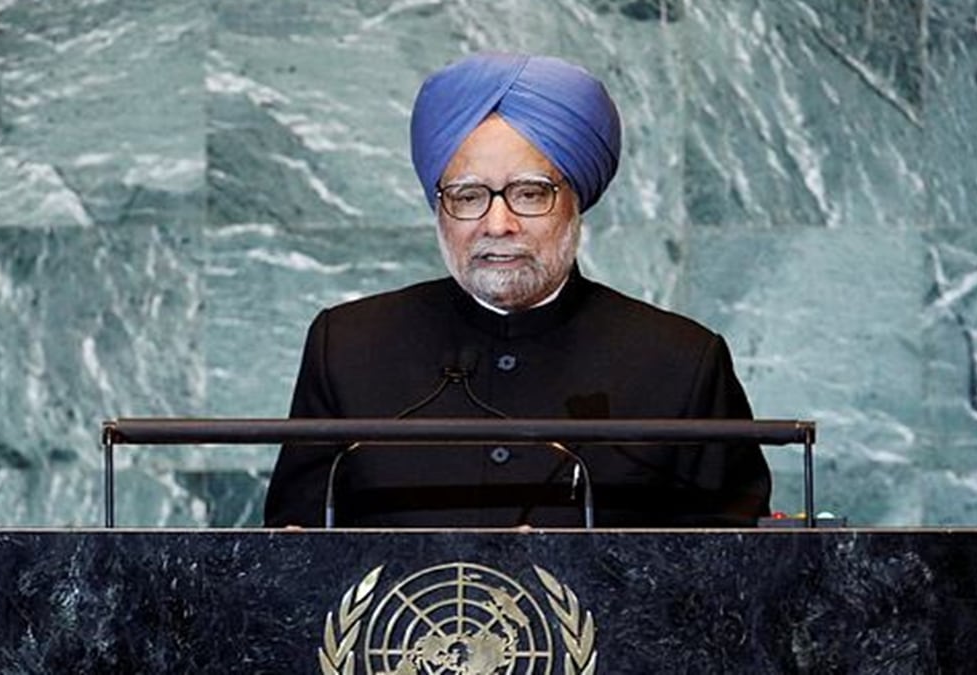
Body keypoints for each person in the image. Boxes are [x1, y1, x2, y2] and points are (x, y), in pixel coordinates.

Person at [263, 52, 771, 528]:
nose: (498, 224)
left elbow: (738, 569)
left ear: (576, 202)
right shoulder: (348, 347)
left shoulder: (680, 362)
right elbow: (289, 556)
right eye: (468, 196)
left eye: (530, 193)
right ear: (439, 209)